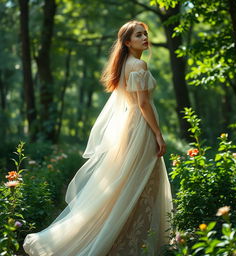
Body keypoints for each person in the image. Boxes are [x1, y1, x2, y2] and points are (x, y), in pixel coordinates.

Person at [23, 20, 173, 256]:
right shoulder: (139, 66)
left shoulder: (124, 64)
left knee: (125, 182)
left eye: (145, 34)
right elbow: (143, 104)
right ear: (126, 42)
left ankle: (124, 238)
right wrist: (158, 134)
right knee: (141, 181)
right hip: (141, 128)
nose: (145, 38)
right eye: (138, 35)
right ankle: (132, 240)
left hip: (128, 126)